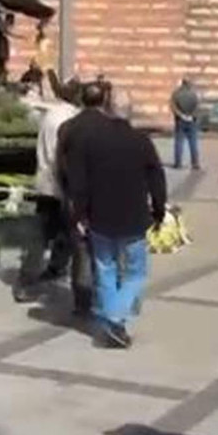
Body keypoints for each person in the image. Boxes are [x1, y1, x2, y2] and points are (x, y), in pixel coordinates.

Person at [64, 81, 166, 349]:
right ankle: (115, 317)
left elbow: (79, 183)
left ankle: (113, 323)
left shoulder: (91, 142)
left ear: (108, 110)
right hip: (133, 218)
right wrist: (159, 209)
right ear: (129, 112)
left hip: (100, 217)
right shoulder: (141, 142)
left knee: (105, 270)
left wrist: (79, 215)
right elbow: (157, 178)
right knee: (135, 274)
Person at [14, 80, 80, 302]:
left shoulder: (51, 115)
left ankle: (43, 273)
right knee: (62, 233)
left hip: (44, 181)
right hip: (60, 184)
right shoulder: (70, 119)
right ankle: (39, 276)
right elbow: (63, 156)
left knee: (48, 234)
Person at [170, 77, 201, 171]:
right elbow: (198, 106)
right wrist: (192, 116)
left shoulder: (176, 94)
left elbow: (173, 107)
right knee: (193, 142)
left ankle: (178, 163)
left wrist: (181, 115)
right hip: (192, 120)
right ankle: (195, 163)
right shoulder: (194, 94)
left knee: (179, 142)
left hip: (180, 121)